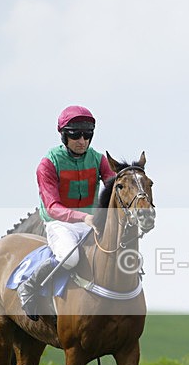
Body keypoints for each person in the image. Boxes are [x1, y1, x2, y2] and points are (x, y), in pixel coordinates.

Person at [18, 105, 116, 320]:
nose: (82, 140)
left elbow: (114, 188)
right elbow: (53, 207)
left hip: (90, 222)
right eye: (75, 135)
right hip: (59, 223)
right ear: (64, 135)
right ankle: (29, 286)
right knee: (70, 259)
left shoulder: (99, 160)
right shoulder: (48, 163)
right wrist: (84, 217)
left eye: (87, 135)